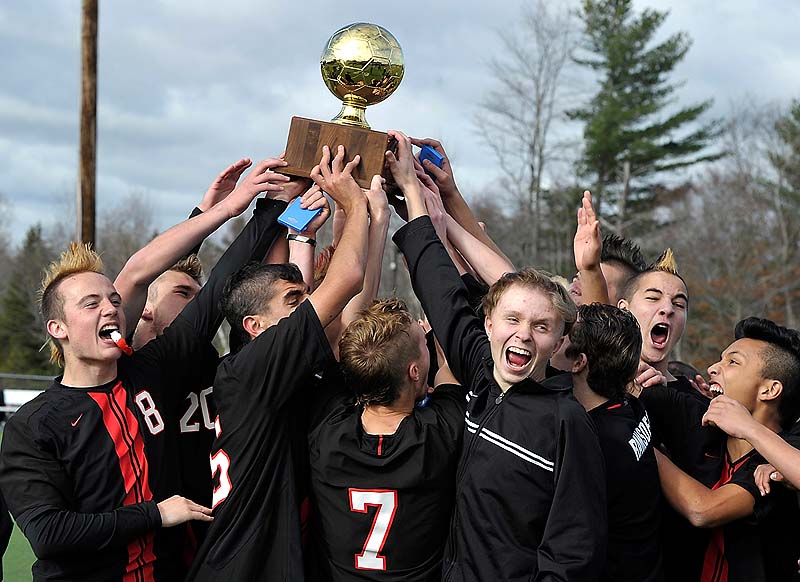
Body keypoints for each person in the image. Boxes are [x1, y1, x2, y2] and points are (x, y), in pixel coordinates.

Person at [0, 158, 294, 581]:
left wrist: (266, 207)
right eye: (92, 304)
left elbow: (214, 292)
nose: (111, 308)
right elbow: (50, 533)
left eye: (114, 301)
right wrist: (154, 514)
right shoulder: (33, 425)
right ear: (57, 328)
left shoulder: (151, 372)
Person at [389, 130, 607, 581]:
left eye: (541, 326)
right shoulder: (480, 373)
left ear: (560, 337)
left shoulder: (568, 423)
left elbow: (573, 553)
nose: (523, 336)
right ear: (488, 323)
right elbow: (441, 290)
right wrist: (414, 196)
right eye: (512, 320)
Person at [187, 145, 370, 582]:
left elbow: (343, 315)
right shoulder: (249, 370)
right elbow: (345, 280)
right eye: (294, 302)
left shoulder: (262, 372)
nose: (307, 307)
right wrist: (356, 204)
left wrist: (322, 229)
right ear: (253, 325)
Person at [306, 298, 464, 581]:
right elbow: (450, 365)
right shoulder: (439, 432)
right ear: (414, 372)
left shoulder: (327, 431)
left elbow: (350, 339)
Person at [641, 317, 800, 581]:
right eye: (720, 358)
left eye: (733, 362)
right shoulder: (703, 420)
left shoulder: (777, 465)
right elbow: (614, 369)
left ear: (770, 389)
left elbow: (703, 510)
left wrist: (641, 443)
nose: (714, 368)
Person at [558, 303, 663, 582]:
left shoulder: (594, 440)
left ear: (578, 362)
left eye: (565, 334)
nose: (556, 338)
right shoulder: (629, 406)